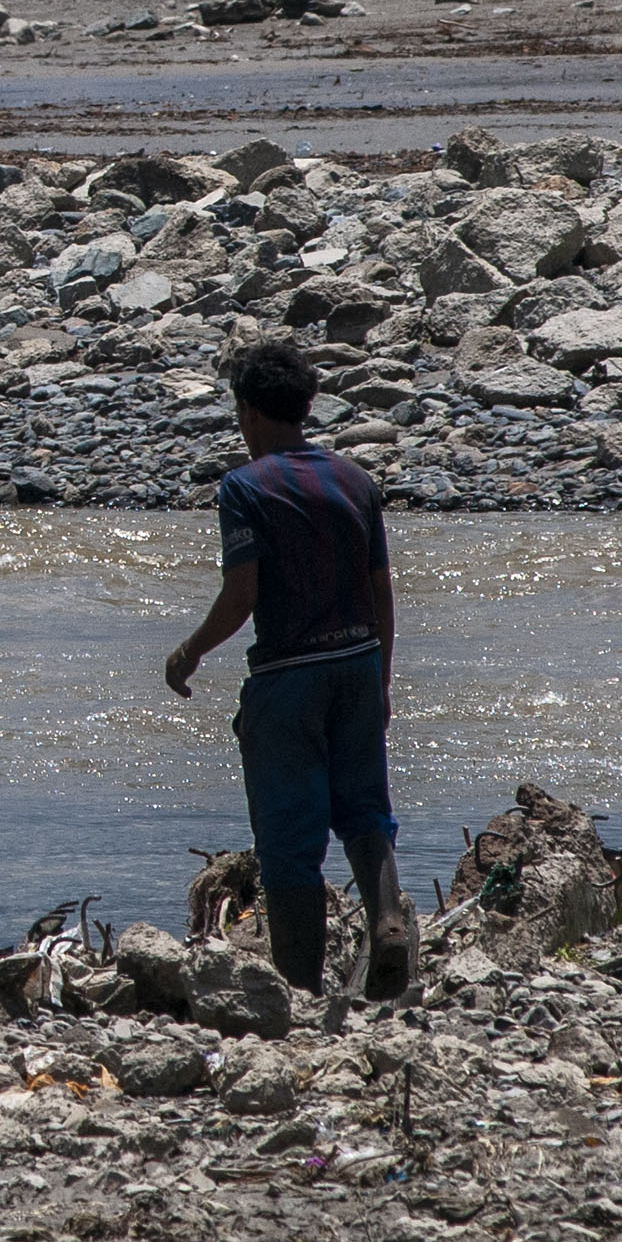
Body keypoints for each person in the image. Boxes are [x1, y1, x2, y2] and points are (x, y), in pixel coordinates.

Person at [163, 333, 418, 1000]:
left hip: (288, 678)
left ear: (248, 410)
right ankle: (388, 919)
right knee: (365, 810)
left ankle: (301, 988)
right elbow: (383, 589)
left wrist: (189, 650)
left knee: (289, 837)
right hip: (360, 662)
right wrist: (382, 679)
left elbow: (242, 595)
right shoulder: (355, 481)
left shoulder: (244, 488)